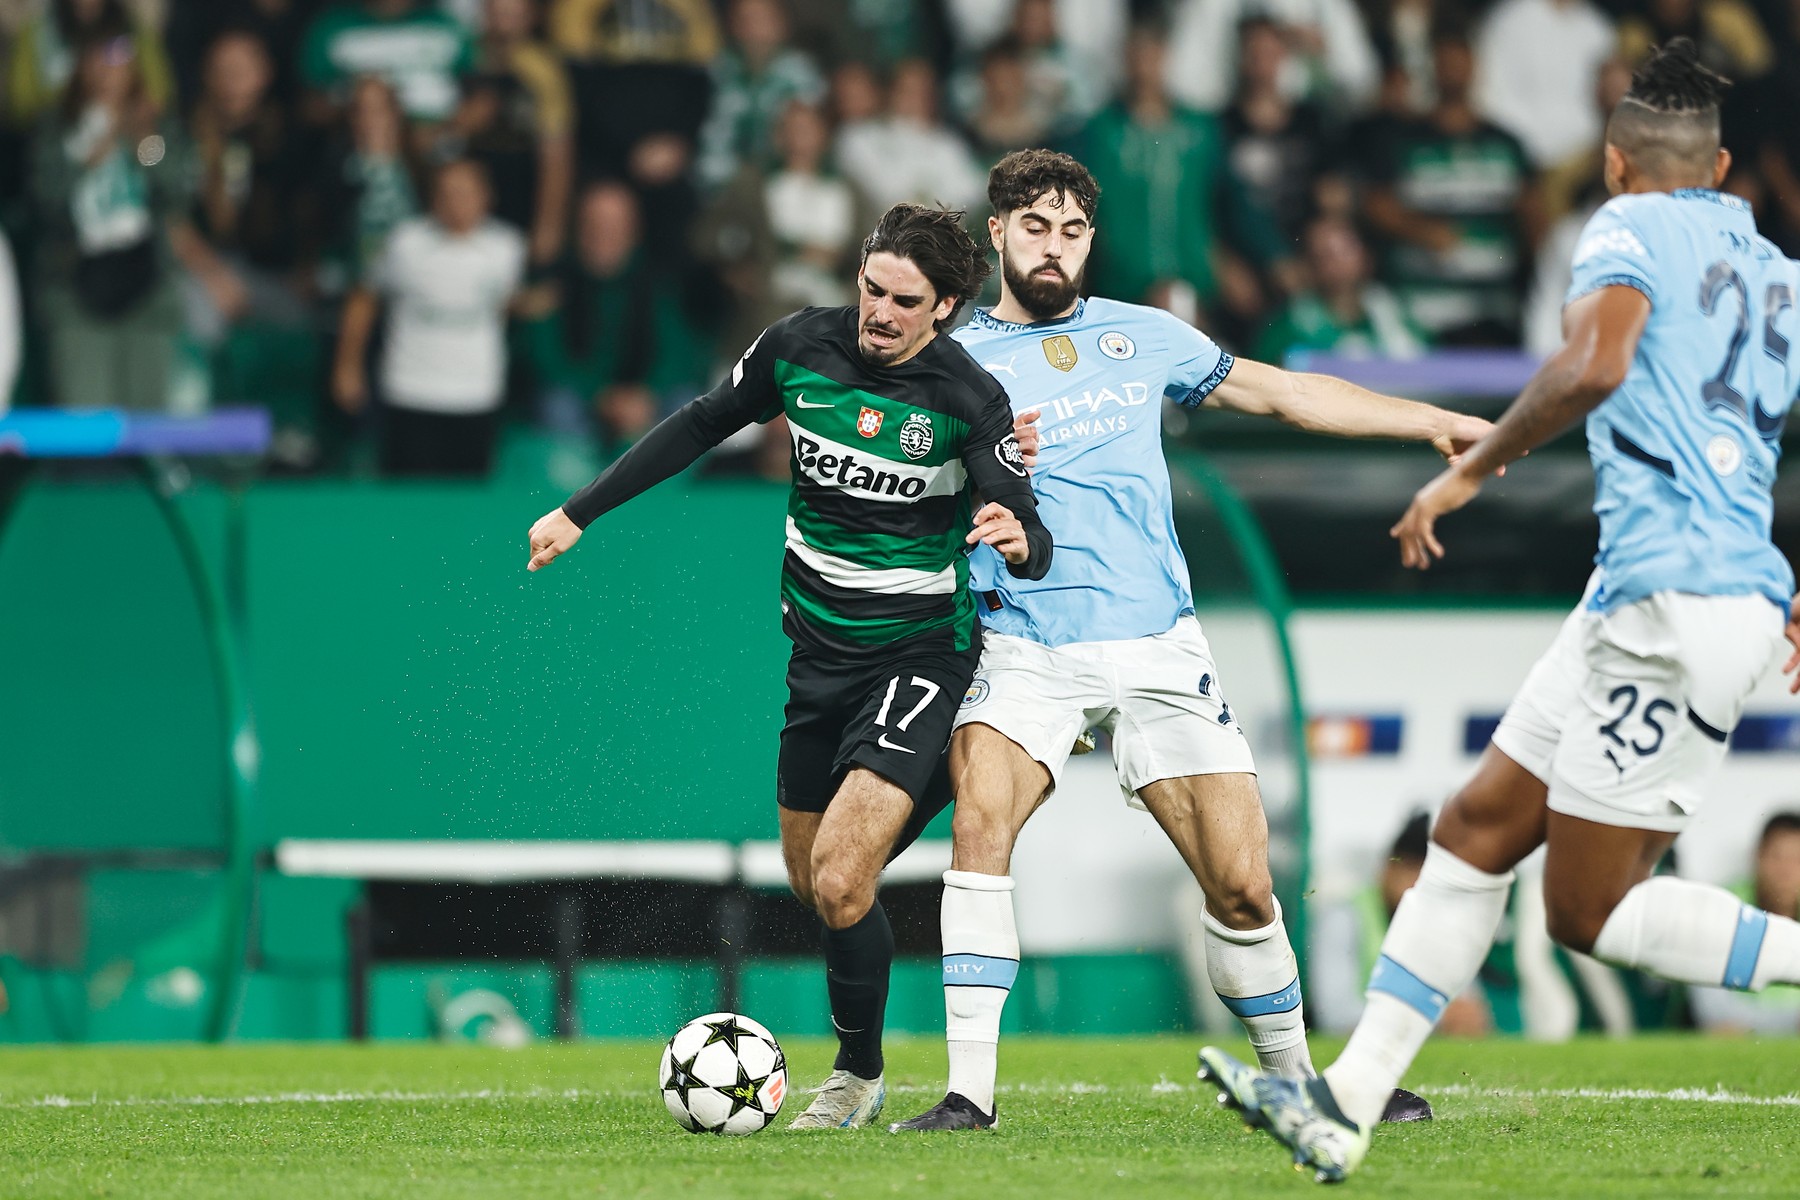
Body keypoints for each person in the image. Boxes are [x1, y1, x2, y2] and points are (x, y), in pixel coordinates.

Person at [1200, 40, 1800, 1183]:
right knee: (1472, 830)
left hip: (1675, 609)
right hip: (1654, 594)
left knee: (1588, 914)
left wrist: (1466, 470)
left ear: (1617, 164)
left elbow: (1596, 361)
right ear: (1722, 166)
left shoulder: (1624, 227)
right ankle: (1341, 1107)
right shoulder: (1779, 272)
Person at [884, 149, 1492, 1134]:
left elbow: (1289, 392)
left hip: (1159, 644)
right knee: (979, 829)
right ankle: (969, 1095)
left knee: (1245, 887)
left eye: (1072, 231)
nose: (1055, 249)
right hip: (1023, 644)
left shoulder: (1145, 336)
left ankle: (1299, 1080)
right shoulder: (948, 362)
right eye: (1035, 228)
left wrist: (1430, 420)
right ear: (996, 234)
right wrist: (968, 498)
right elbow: (893, 490)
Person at [524, 203, 1052, 1131]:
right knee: (817, 883)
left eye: (904, 301)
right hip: (818, 662)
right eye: (870, 289)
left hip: (920, 652)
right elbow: (697, 425)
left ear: (948, 307)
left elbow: (1029, 528)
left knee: (846, 879)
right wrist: (580, 511)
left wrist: (1018, 538)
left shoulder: (968, 400)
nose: (878, 314)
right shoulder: (797, 349)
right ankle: (915, 792)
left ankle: (856, 1077)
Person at [332, 158, 525, 476]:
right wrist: (347, 366)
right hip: (410, 392)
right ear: (433, 198)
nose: (456, 203)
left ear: (486, 197)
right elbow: (364, 299)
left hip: (476, 395)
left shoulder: (507, 248)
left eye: (465, 193)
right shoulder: (405, 243)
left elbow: (508, 306)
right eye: (447, 193)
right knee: (408, 504)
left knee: (470, 507)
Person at [1689, 812, 1800, 1033]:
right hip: (1733, 1030)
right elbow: (1709, 1003)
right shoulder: (1726, 906)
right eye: (1777, 856)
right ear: (1757, 857)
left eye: (1797, 859)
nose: (1785, 870)